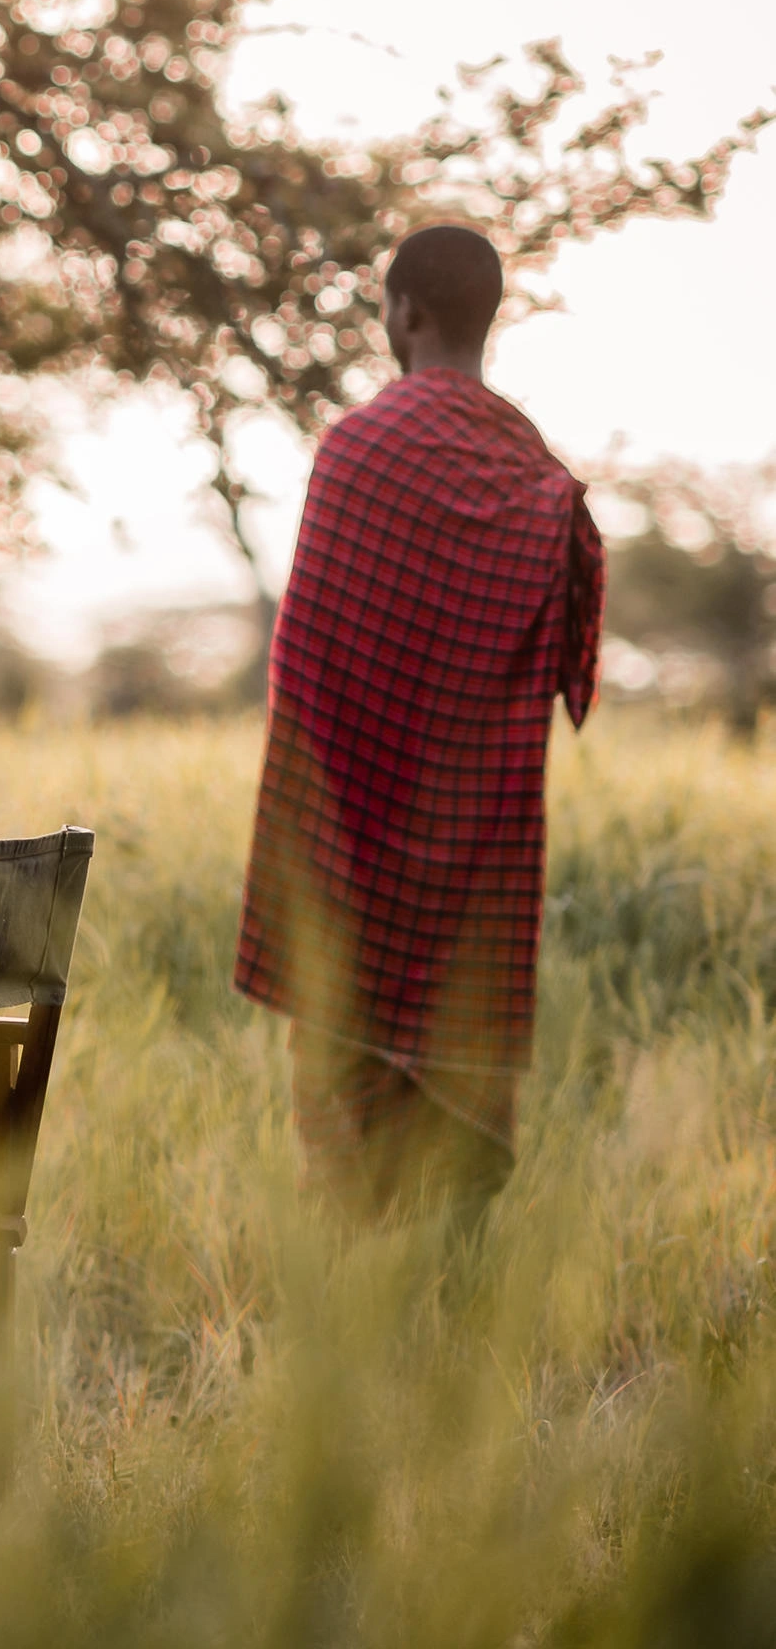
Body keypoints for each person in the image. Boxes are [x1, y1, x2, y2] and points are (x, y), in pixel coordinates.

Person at [234, 223, 603, 1224]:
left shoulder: (357, 450)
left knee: (344, 1175)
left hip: (348, 855)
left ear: (404, 312)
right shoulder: (538, 473)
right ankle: (452, 1336)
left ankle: (352, 1331)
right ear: (489, 318)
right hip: (473, 872)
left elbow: (307, 679)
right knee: (452, 1200)